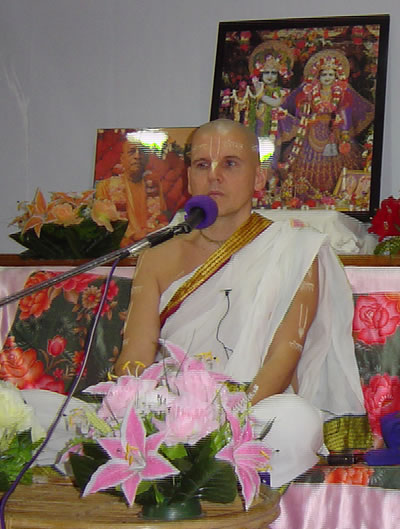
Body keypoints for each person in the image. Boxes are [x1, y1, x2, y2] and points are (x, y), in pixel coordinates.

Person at [115, 118, 365, 487]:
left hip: (251, 412)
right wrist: (138, 404)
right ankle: (179, 471)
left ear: (259, 179)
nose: (214, 176)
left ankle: (201, 477)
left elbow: (283, 358)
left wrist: (225, 418)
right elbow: (135, 353)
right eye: (202, 165)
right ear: (188, 178)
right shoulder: (157, 255)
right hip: (168, 410)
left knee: (295, 420)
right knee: (41, 411)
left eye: (230, 164)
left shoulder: (296, 247)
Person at [281, 49, 374, 197]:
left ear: (336, 77)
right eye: (324, 74)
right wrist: (308, 112)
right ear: (318, 76)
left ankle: (334, 194)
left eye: (331, 74)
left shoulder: (341, 93)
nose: (327, 78)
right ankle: (307, 192)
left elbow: (346, 113)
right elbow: (300, 112)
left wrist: (343, 131)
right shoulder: (309, 92)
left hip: (333, 133)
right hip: (312, 133)